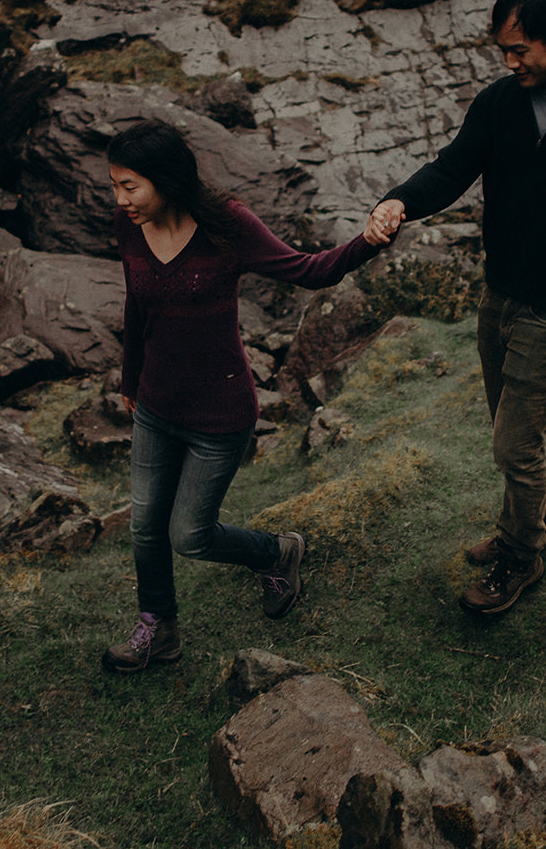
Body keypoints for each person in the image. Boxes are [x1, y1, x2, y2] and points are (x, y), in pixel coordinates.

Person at [367, 0, 546, 617]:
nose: (510, 63)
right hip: (502, 296)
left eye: (520, 50)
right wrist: (398, 200)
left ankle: (521, 557)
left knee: (515, 444)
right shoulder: (500, 103)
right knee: (508, 424)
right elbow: (451, 168)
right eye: (503, 50)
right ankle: (535, 521)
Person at [102, 119, 392, 674]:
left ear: (165, 179)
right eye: (115, 185)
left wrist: (369, 241)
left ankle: (277, 551)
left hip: (219, 413)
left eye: (129, 185)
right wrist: (129, 379)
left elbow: (308, 272)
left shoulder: (226, 224)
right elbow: (136, 306)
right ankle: (157, 631)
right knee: (145, 526)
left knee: (189, 534)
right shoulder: (128, 227)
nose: (120, 199)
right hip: (156, 406)